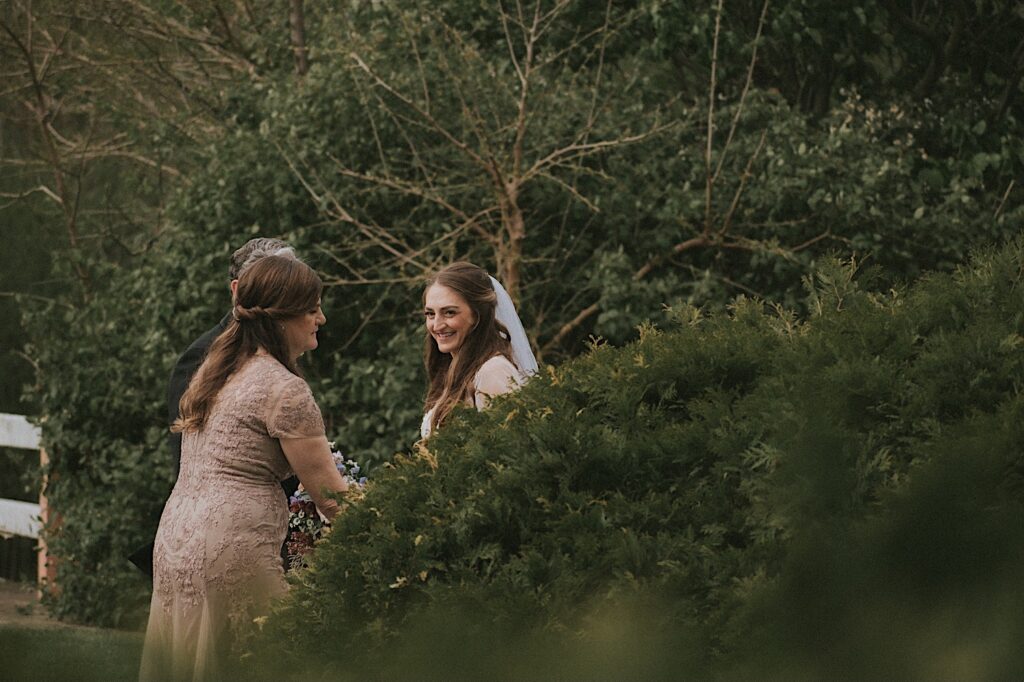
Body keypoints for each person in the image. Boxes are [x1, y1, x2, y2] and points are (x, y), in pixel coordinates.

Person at [139, 255, 348, 681]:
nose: (321, 319)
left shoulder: (216, 372)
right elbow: (333, 498)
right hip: (233, 547)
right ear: (283, 316)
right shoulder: (285, 389)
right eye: (312, 309)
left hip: (176, 541)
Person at [130, 238, 299, 577]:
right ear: (238, 289)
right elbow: (192, 463)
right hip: (224, 537)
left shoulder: (285, 352)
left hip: (277, 530)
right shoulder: (202, 358)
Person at [421, 261, 538, 438]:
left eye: (449, 312)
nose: (437, 325)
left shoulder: (493, 372)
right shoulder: (455, 371)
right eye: (430, 314)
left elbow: (507, 453)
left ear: (477, 315)